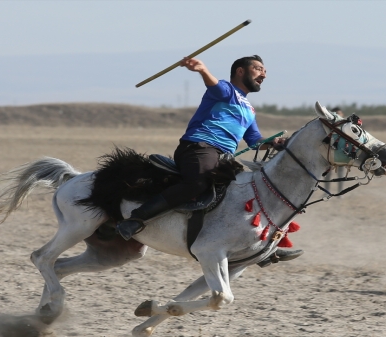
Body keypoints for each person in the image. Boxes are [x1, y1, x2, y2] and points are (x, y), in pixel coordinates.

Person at [116, 55, 302, 264]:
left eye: (265, 71)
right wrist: (202, 70)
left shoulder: (249, 108)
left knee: (251, 193)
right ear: (241, 71)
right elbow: (215, 86)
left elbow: (254, 140)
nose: (264, 74)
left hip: (224, 158)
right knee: (197, 184)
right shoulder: (226, 90)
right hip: (199, 148)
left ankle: (265, 247)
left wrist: (274, 141)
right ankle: (134, 220)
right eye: (259, 69)